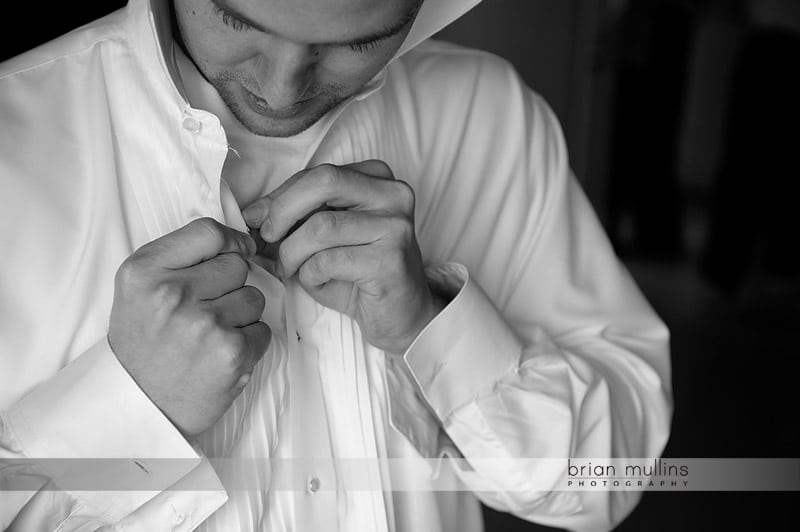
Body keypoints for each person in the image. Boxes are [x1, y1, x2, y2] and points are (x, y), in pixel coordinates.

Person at [0, 0, 673, 530]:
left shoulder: (486, 116)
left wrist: (437, 332)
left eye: (357, 43)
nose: (281, 86)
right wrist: (130, 416)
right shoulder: (15, 136)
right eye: (239, 20)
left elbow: (613, 480)